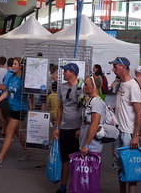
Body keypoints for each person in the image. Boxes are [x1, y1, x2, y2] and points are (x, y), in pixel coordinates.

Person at [0, 57, 30, 167]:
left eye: (15, 64)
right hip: (12, 107)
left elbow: (31, 95)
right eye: (13, 64)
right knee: (16, 131)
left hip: (20, 109)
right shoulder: (11, 77)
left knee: (9, 131)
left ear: (21, 66)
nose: (13, 66)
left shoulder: (25, 80)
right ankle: (28, 151)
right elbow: (6, 92)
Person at [110, 57, 141, 193]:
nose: (113, 69)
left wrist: (136, 136)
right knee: (119, 167)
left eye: (115, 66)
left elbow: (139, 113)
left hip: (128, 134)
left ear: (123, 67)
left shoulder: (133, 86)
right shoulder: (121, 84)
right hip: (118, 132)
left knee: (130, 169)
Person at [52, 63, 83, 193]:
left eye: (65, 71)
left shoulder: (82, 87)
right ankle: (63, 186)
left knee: (76, 158)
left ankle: (75, 186)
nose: (63, 73)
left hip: (77, 128)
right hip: (64, 128)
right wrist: (57, 126)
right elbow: (60, 108)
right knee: (65, 158)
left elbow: (85, 109)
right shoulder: (62, 87)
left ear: (72, 73)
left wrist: (82, 128)